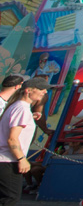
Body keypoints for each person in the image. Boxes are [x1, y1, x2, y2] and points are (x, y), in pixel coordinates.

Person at [0, 78, 49, 206]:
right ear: (28, 91)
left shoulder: (18, 107)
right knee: (10, 198)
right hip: (8, 160)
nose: (44, 92)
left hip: (5, 159)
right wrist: (21, 159)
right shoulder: (21, 108)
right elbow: (12, 138)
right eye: (41, 89)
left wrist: (29, 118)